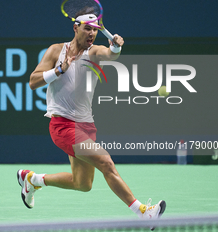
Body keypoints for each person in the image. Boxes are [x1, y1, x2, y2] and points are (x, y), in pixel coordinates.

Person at [17, 13, 166, 225]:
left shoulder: (94, 52)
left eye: (95, 29)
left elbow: (110, 54)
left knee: (82, 183)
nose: (92, 33)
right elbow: (33, 81)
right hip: (62, 125)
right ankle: (143, 212)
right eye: (88, 28)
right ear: (75, 28)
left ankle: (32, 180)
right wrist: (59, 70)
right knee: (106, 162)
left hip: (86, 125)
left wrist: (116, 47)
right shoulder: (56, 51)